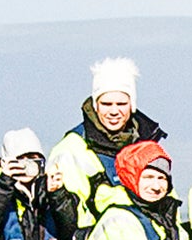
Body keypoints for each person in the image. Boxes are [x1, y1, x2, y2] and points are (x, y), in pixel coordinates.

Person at [54, 56, 165, 209]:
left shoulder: (147, 143)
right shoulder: (71, 149)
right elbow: (69, 216)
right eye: (106, 104)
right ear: (95, 105)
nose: (114, 111)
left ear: (132, 105)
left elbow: (168, 203)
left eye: (121, 104)